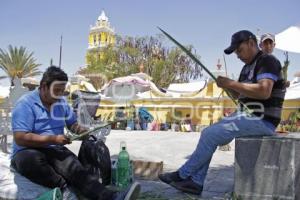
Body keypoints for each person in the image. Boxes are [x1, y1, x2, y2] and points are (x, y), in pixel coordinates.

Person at [158, 30, 286, 195]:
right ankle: (195, 182)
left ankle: (183, 174)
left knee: (210, 135)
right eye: (235, 53)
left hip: (262, 119)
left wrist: (232, 83)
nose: (238, 56)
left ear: (251, 43)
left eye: (239, 50)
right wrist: (227, 86)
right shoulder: (246, 68)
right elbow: (240, 95)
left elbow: (264, 91)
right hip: (247, 116)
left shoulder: (267, 60)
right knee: (209, 134)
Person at [11, 66, 140, 200]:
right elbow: (20, 138)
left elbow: (72, 124)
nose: (60, 95)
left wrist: (80, 130)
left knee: (77, 171)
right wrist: (53, 139)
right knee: (31, 161)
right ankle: (63, 188)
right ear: (43, 86)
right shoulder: (25, 104)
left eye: (62, 91)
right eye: (56, 91)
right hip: (27, 151)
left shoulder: (61, 102)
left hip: (54, 148)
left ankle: (113, 197)